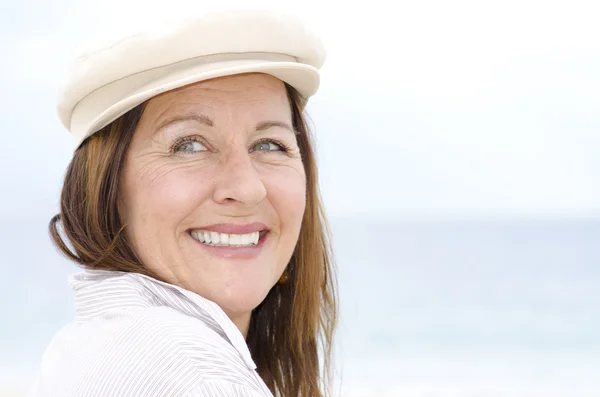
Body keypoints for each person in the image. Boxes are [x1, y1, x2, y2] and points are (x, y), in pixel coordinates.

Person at [27, 9, 337, 397]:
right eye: (188, 145)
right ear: (106, 188)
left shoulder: (89, 346)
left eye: (269, 145)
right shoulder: (190, 371)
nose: (247, 187)